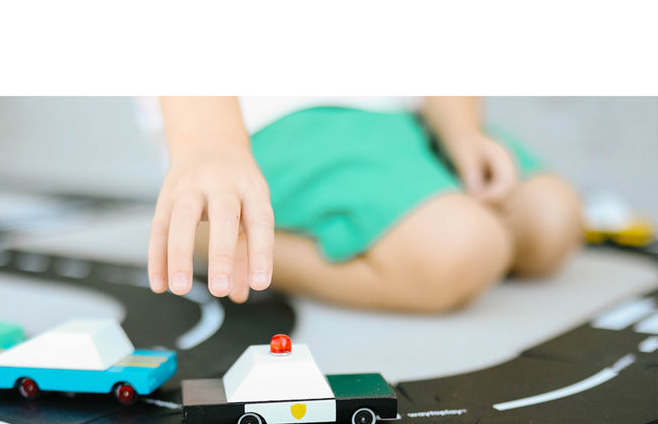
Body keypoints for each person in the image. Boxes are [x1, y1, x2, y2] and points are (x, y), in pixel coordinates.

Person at [148, 96, 583, 313]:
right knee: (461, 250)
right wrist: (212, 146)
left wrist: (462, 130)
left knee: (552, 221)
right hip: (276, 117)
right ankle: (221, 231)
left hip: (401, 111)